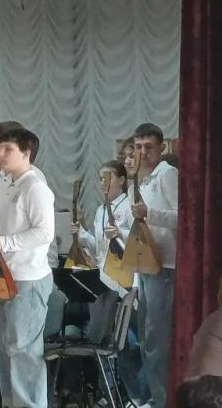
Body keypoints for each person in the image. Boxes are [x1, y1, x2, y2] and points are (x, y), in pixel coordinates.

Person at [0, 127, 54, 408]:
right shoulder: (0, 182)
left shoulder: (35, 186)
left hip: (28, 279)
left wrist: (5, 243)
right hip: (0, 276)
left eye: (8, 149)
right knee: (4, 349)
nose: (0, 153)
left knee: (23, 351)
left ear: (26, 153)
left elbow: (45, 232)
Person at [69, 159, 148, 404]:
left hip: (126, 282)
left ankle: (140, 397)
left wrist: (121, 234)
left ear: (122, 180)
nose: (103, 182)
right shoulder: (101, 210)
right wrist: (82, 234)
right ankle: (112, 393)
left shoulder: (129, 206)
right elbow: (100, 248)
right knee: (104, 340)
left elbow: (139, 243)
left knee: (129, 343)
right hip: (104, 282)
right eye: (101, 178)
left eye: (109, 178)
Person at [131, 122, 179, 408]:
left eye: (148, 146)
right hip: (146, 265)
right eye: (138, 147)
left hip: (166, 266)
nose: (143, 152)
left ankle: (162, 400)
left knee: (157, 340)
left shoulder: (167, 173)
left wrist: (150, 213)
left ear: (161, 147)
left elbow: (183, 216)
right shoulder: (143, 179)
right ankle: (153, 396)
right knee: (147, 338)